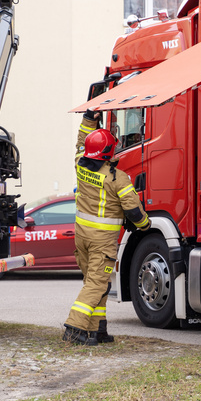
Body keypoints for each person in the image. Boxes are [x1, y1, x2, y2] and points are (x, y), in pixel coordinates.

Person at [63, 109, 150, 345]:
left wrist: (89, 119)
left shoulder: (80, 165)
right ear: (110, 152)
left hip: (81, 237)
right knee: (96, 283)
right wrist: (145, 225)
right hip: (102, 241)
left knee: (97, 283)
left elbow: (82, 142)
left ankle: (97, 330)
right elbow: (134, 211)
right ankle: (74, 328)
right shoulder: (117, 178)